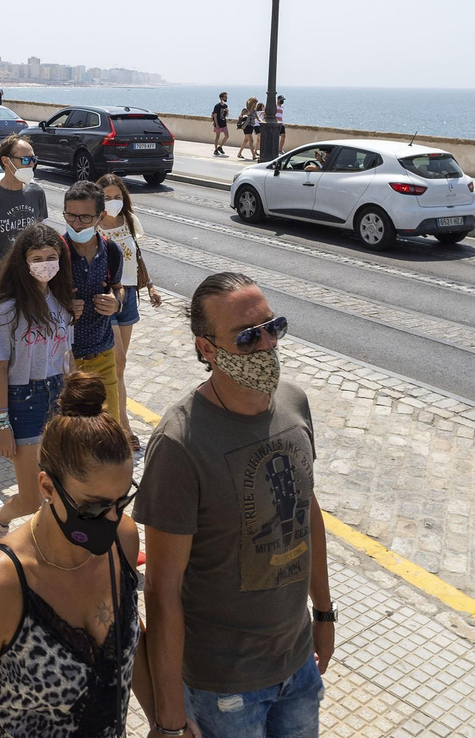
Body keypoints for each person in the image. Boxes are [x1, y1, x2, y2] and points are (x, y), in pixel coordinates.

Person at [136, 272, 331, 738]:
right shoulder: (180, 443)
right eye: (247, 337)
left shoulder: (294, 403)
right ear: (207, 348)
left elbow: (308, 513)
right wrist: (167, 718)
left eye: (273, 327)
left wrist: (322, 613)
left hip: (298, 664)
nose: (265, 344)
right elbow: (162, 593)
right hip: (223, 689)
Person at [0, 373, 155, 738]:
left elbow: (129, 632)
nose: (113, 519)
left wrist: (165, 722)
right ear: (47, 487)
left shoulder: (123, 541)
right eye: (94, 507)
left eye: (121, 501)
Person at [0, 224, 75, 550]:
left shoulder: (62, 302)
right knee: (32, 498)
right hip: (25, 400)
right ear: (23, 262)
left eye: (51, 257)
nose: (45, 264)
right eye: (37, 258)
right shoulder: (7, 310)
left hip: (60, 395)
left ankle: (50, 547)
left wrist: (77, 402)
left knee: (61, 487)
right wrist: (2, 423)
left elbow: (68, 356)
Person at [96, 175, 161, 452]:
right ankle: (122, 424)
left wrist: (150, 286)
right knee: (117, 358)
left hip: (130, 295)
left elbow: (136, 256)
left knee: (119, 365)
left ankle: (112, 417)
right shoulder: (93, 225)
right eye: (107, 197)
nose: (113, 202)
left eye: (117, 196)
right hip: (106, 296)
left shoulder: (130, 221)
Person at [61, 182, 125, 430]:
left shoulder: (111, 250)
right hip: (64, 358)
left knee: (109, 430)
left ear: (101, 216)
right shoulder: (55, 251)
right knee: (69, 432)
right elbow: (35, 301)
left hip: (103, 356)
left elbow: (119, 287)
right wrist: (61, 307)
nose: (76, 224)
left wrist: (116, 303)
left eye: (85, 217)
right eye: (70, 215)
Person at [0, 134, 49, 312]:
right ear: (6, 161)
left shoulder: (37, 193)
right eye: (26, 159)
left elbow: (42, 241)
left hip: (33, 283)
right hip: (3, 286)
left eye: (34, 159)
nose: (31, 164)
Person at [210, 92, 230, 157]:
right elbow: (215, 115)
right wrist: (216, 124)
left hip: (224, 123)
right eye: (225, 97)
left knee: (227, 136)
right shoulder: (217, 106)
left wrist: (227, 111)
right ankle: (215, 149)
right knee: (217, 136)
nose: (226, 98)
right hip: (218, 123)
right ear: (221, 98)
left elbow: (226, 115)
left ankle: (220, 147)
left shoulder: (225, 106)